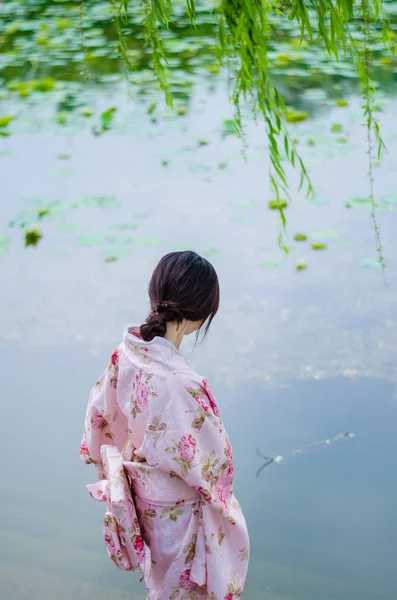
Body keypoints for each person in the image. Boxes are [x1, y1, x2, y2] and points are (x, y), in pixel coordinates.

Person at [80, 251, 249, 600]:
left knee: (161, 586)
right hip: (179, 515)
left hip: (145, 504)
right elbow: (215, 467)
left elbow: (101, 416)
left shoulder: (128, 351)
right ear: (201, 316)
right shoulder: (183, 383)